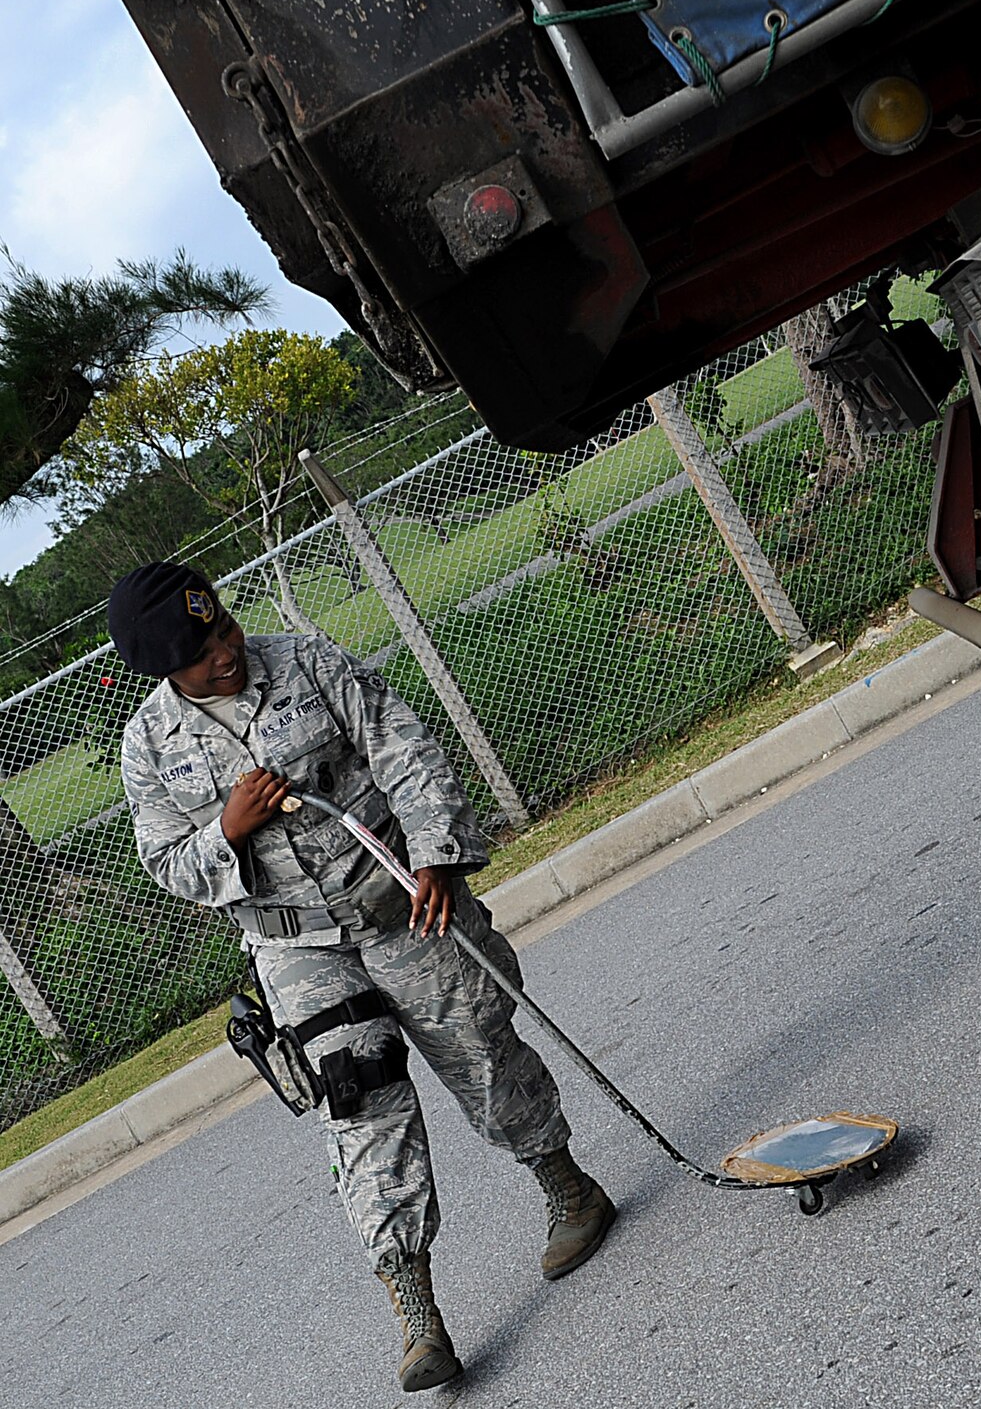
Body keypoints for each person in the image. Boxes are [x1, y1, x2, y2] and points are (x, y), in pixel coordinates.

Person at [110, 562, 614, 1393]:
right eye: (204, 654)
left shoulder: (307, 662)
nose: (228, 652)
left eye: (226, 629)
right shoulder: (149, 749)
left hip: (398, 904)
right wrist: (227, 830)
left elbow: (406, 749)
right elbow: (170, 864)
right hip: (299, 948)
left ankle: (569, 1189)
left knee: (482, 1052)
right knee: (360, 1099)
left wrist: (439, 858)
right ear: (166, 668)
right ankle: (417, 1310)